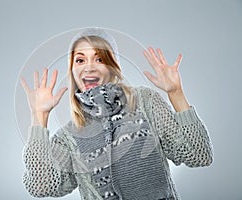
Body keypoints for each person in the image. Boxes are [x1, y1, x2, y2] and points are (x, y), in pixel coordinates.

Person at [20, 27, 213, 200]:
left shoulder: (145, 101)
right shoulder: (69, 136)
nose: (89, 66)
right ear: (72, 70)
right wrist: (39, 116)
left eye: (99, 58)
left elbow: (199, 155)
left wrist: (175, 93)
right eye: (80, 60)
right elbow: (41, 186)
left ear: (113, 66)